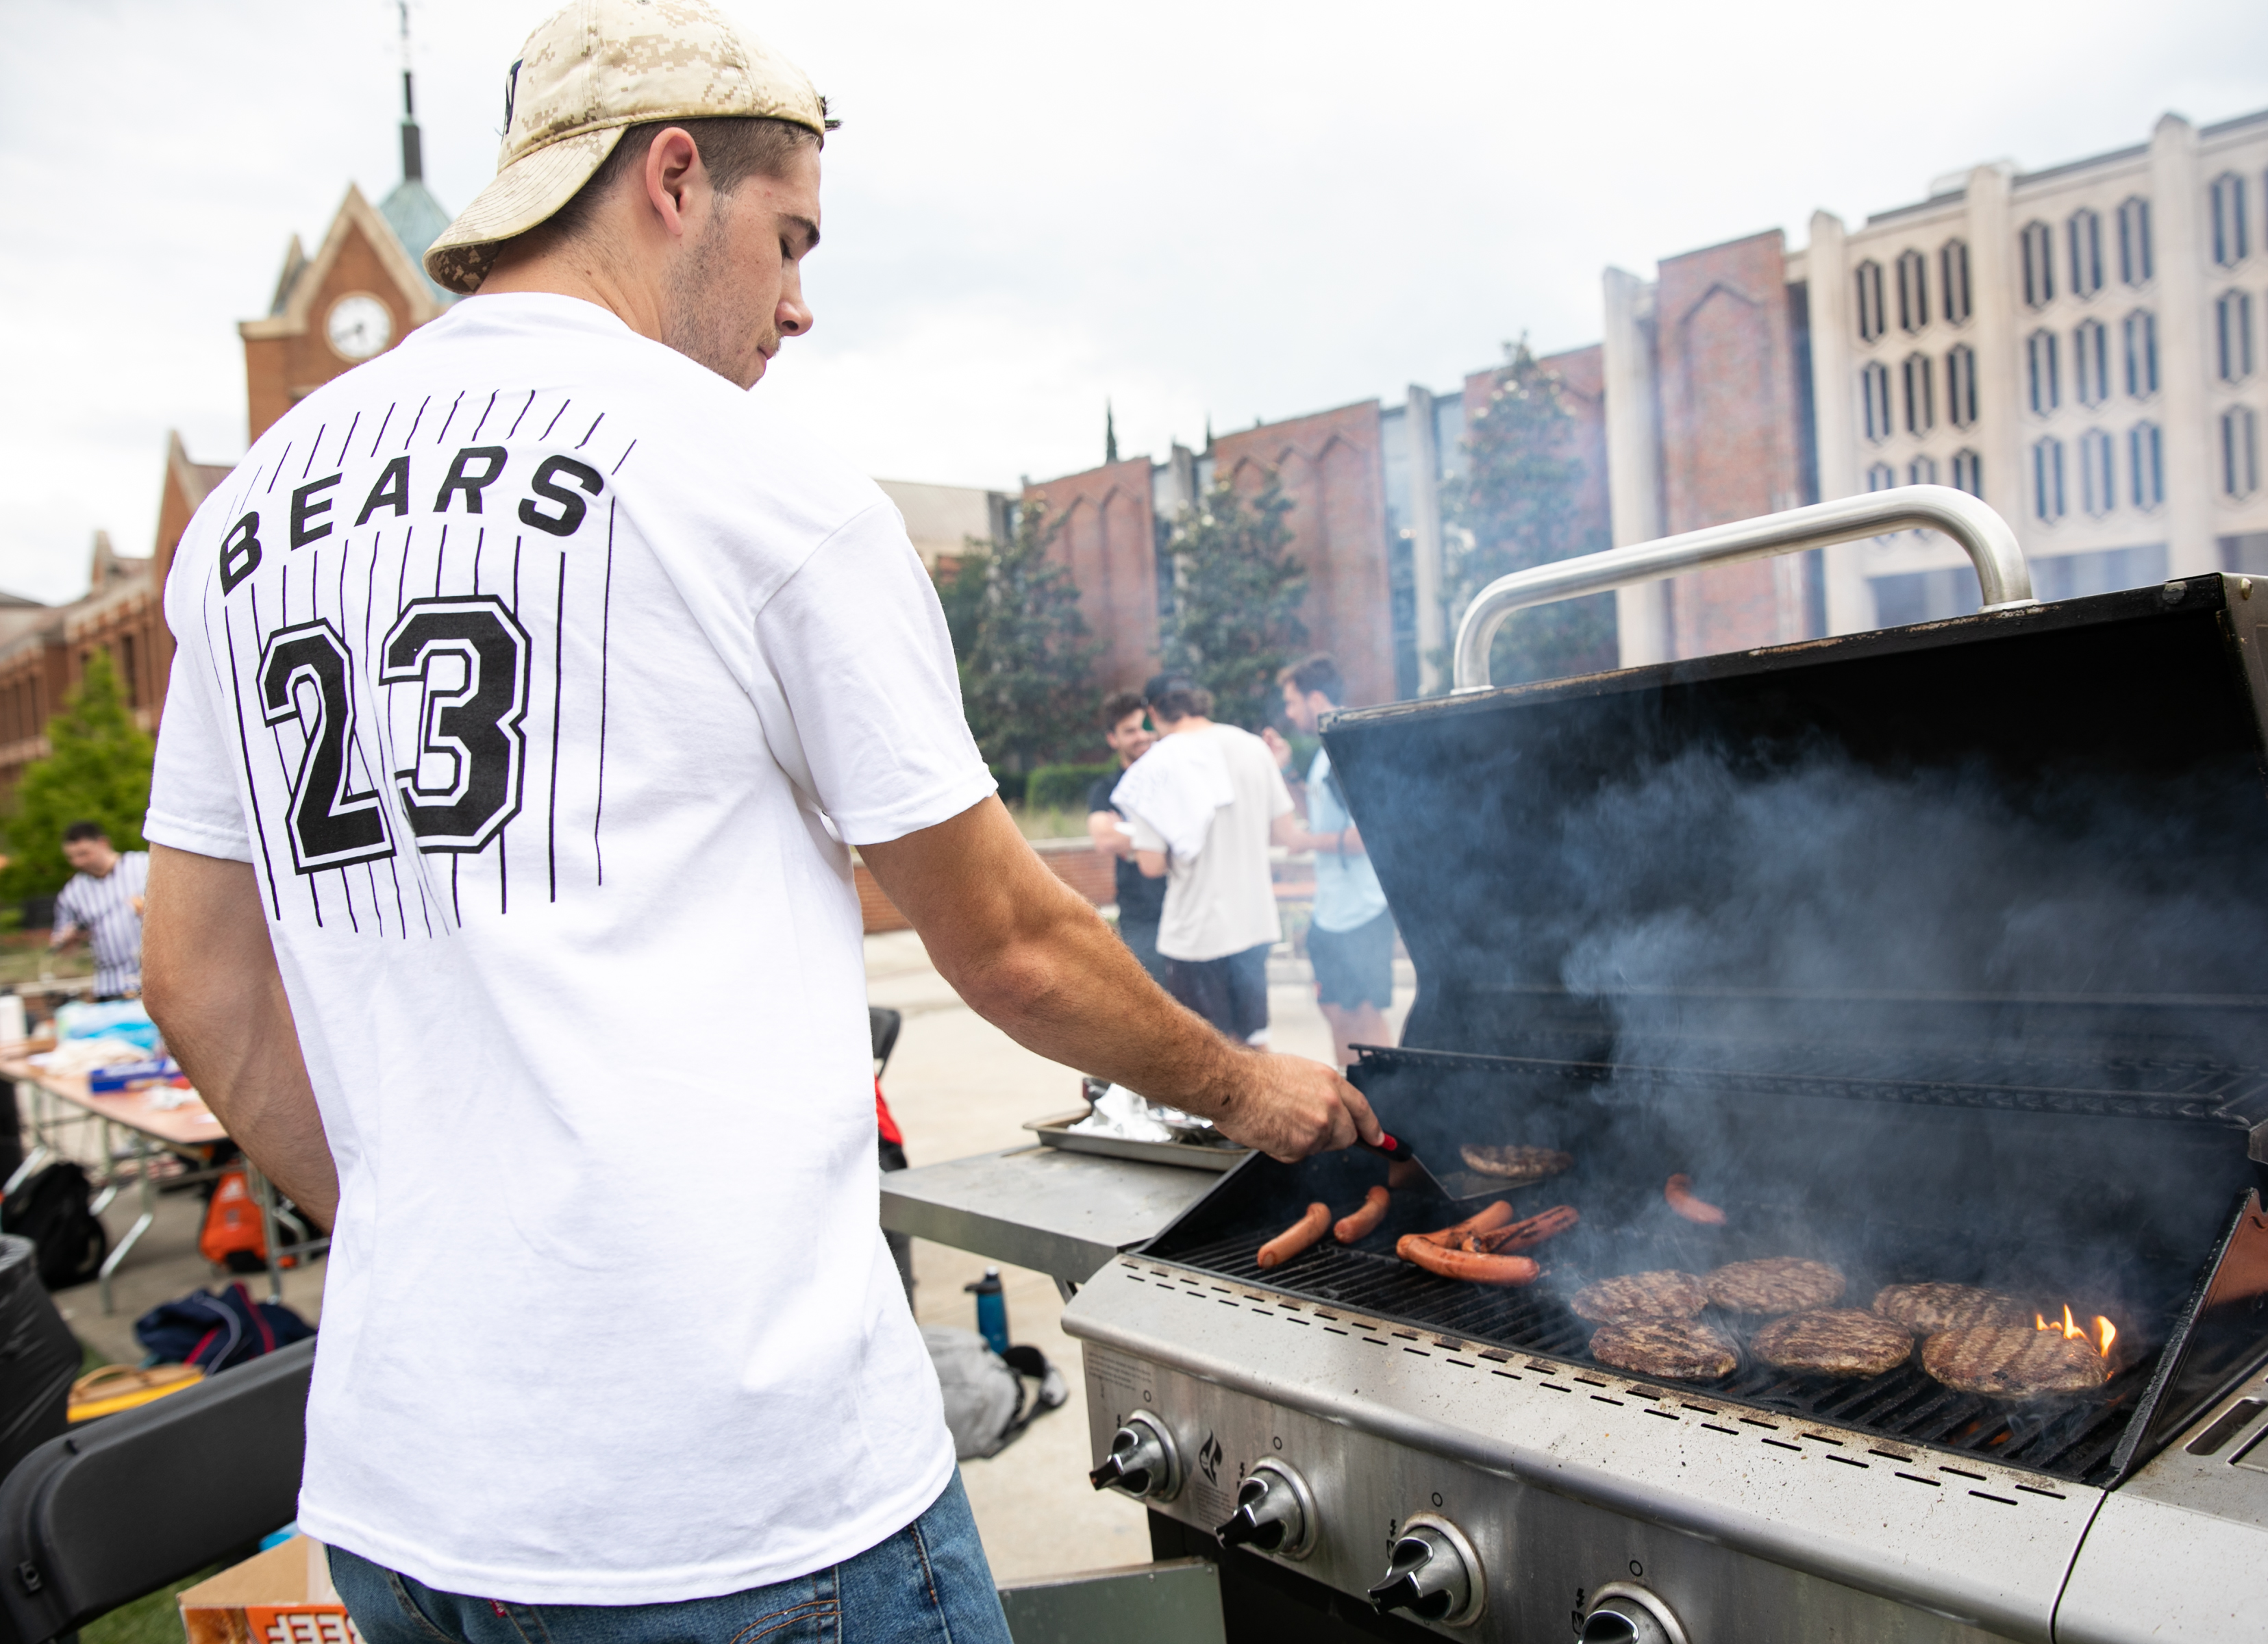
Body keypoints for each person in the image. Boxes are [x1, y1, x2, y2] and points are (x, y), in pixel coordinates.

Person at [136, 5, 1378, 1639]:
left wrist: (452, 1247)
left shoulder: (246, 517)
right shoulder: (756, 484)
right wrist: (1252, 1084)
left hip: (408, 1495)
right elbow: (1004, 941)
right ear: (670, 179)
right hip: (739, 1513)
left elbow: (202, 988)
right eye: (789, 237)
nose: (801, 301)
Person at [1112, 675, 1309, 1045]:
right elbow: (1285, 834)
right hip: (1253, 923)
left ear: (1153, 712)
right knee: (1255, 1043)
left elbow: (1151, 865)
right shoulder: (1253, 748)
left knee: (1210, 1053)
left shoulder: (1155, 766)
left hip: (1197, 933)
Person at [1262, 656, 1396, 1066]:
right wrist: (1286, 770)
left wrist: (1305, 843)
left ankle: (1393, 1111)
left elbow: (1370, 836)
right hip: (1332, 913)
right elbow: (1320, 815)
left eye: (1292, 702)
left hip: (1362, 911)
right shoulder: (1325, 753)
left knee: (1364, 1016)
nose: (1288, 713)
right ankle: (1353, 1100)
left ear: (1316, 698)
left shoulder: (1349, 751)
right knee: (1335, 1010)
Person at [1085, 690, 1167, 983]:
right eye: (1129, 731)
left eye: (1145, 727)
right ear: (1113, 739)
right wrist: (1168, 839)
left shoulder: (1173, 778)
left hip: (1184, 908)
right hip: (1140, 915)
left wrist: (1130, 834)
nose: (1141, 737)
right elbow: (1104, 839)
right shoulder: (1105, 789)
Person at [50, 822, 147, 1001]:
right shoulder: (72, 892)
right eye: (71, 857)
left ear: (103, 844)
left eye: (84, 854)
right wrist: (68, 940)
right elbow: (60, 948)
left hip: (153, 979)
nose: (78, 862)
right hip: (110, 987)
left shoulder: (143, 864)